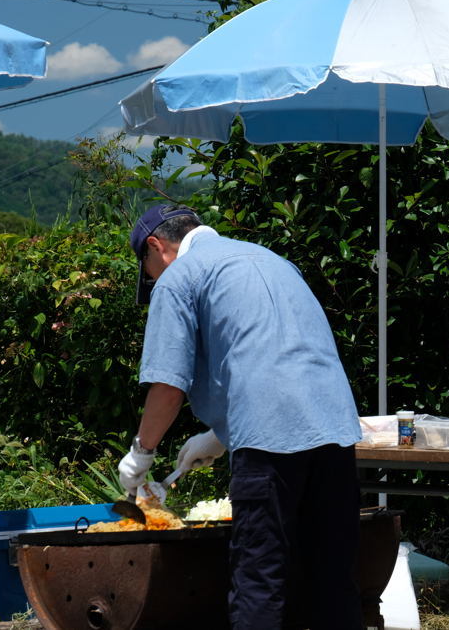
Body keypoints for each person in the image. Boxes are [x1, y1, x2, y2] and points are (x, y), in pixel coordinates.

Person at [117, 204, 363, 630]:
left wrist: (141, 452)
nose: (153, 278)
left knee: (260, 577)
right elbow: (274, 354)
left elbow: (168, 387)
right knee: (331, 575)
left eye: (148, 269)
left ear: (156, 247)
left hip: (268, 439)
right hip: (334, 426)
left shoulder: (178, 277)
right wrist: (218, 435)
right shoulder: (271, 259)